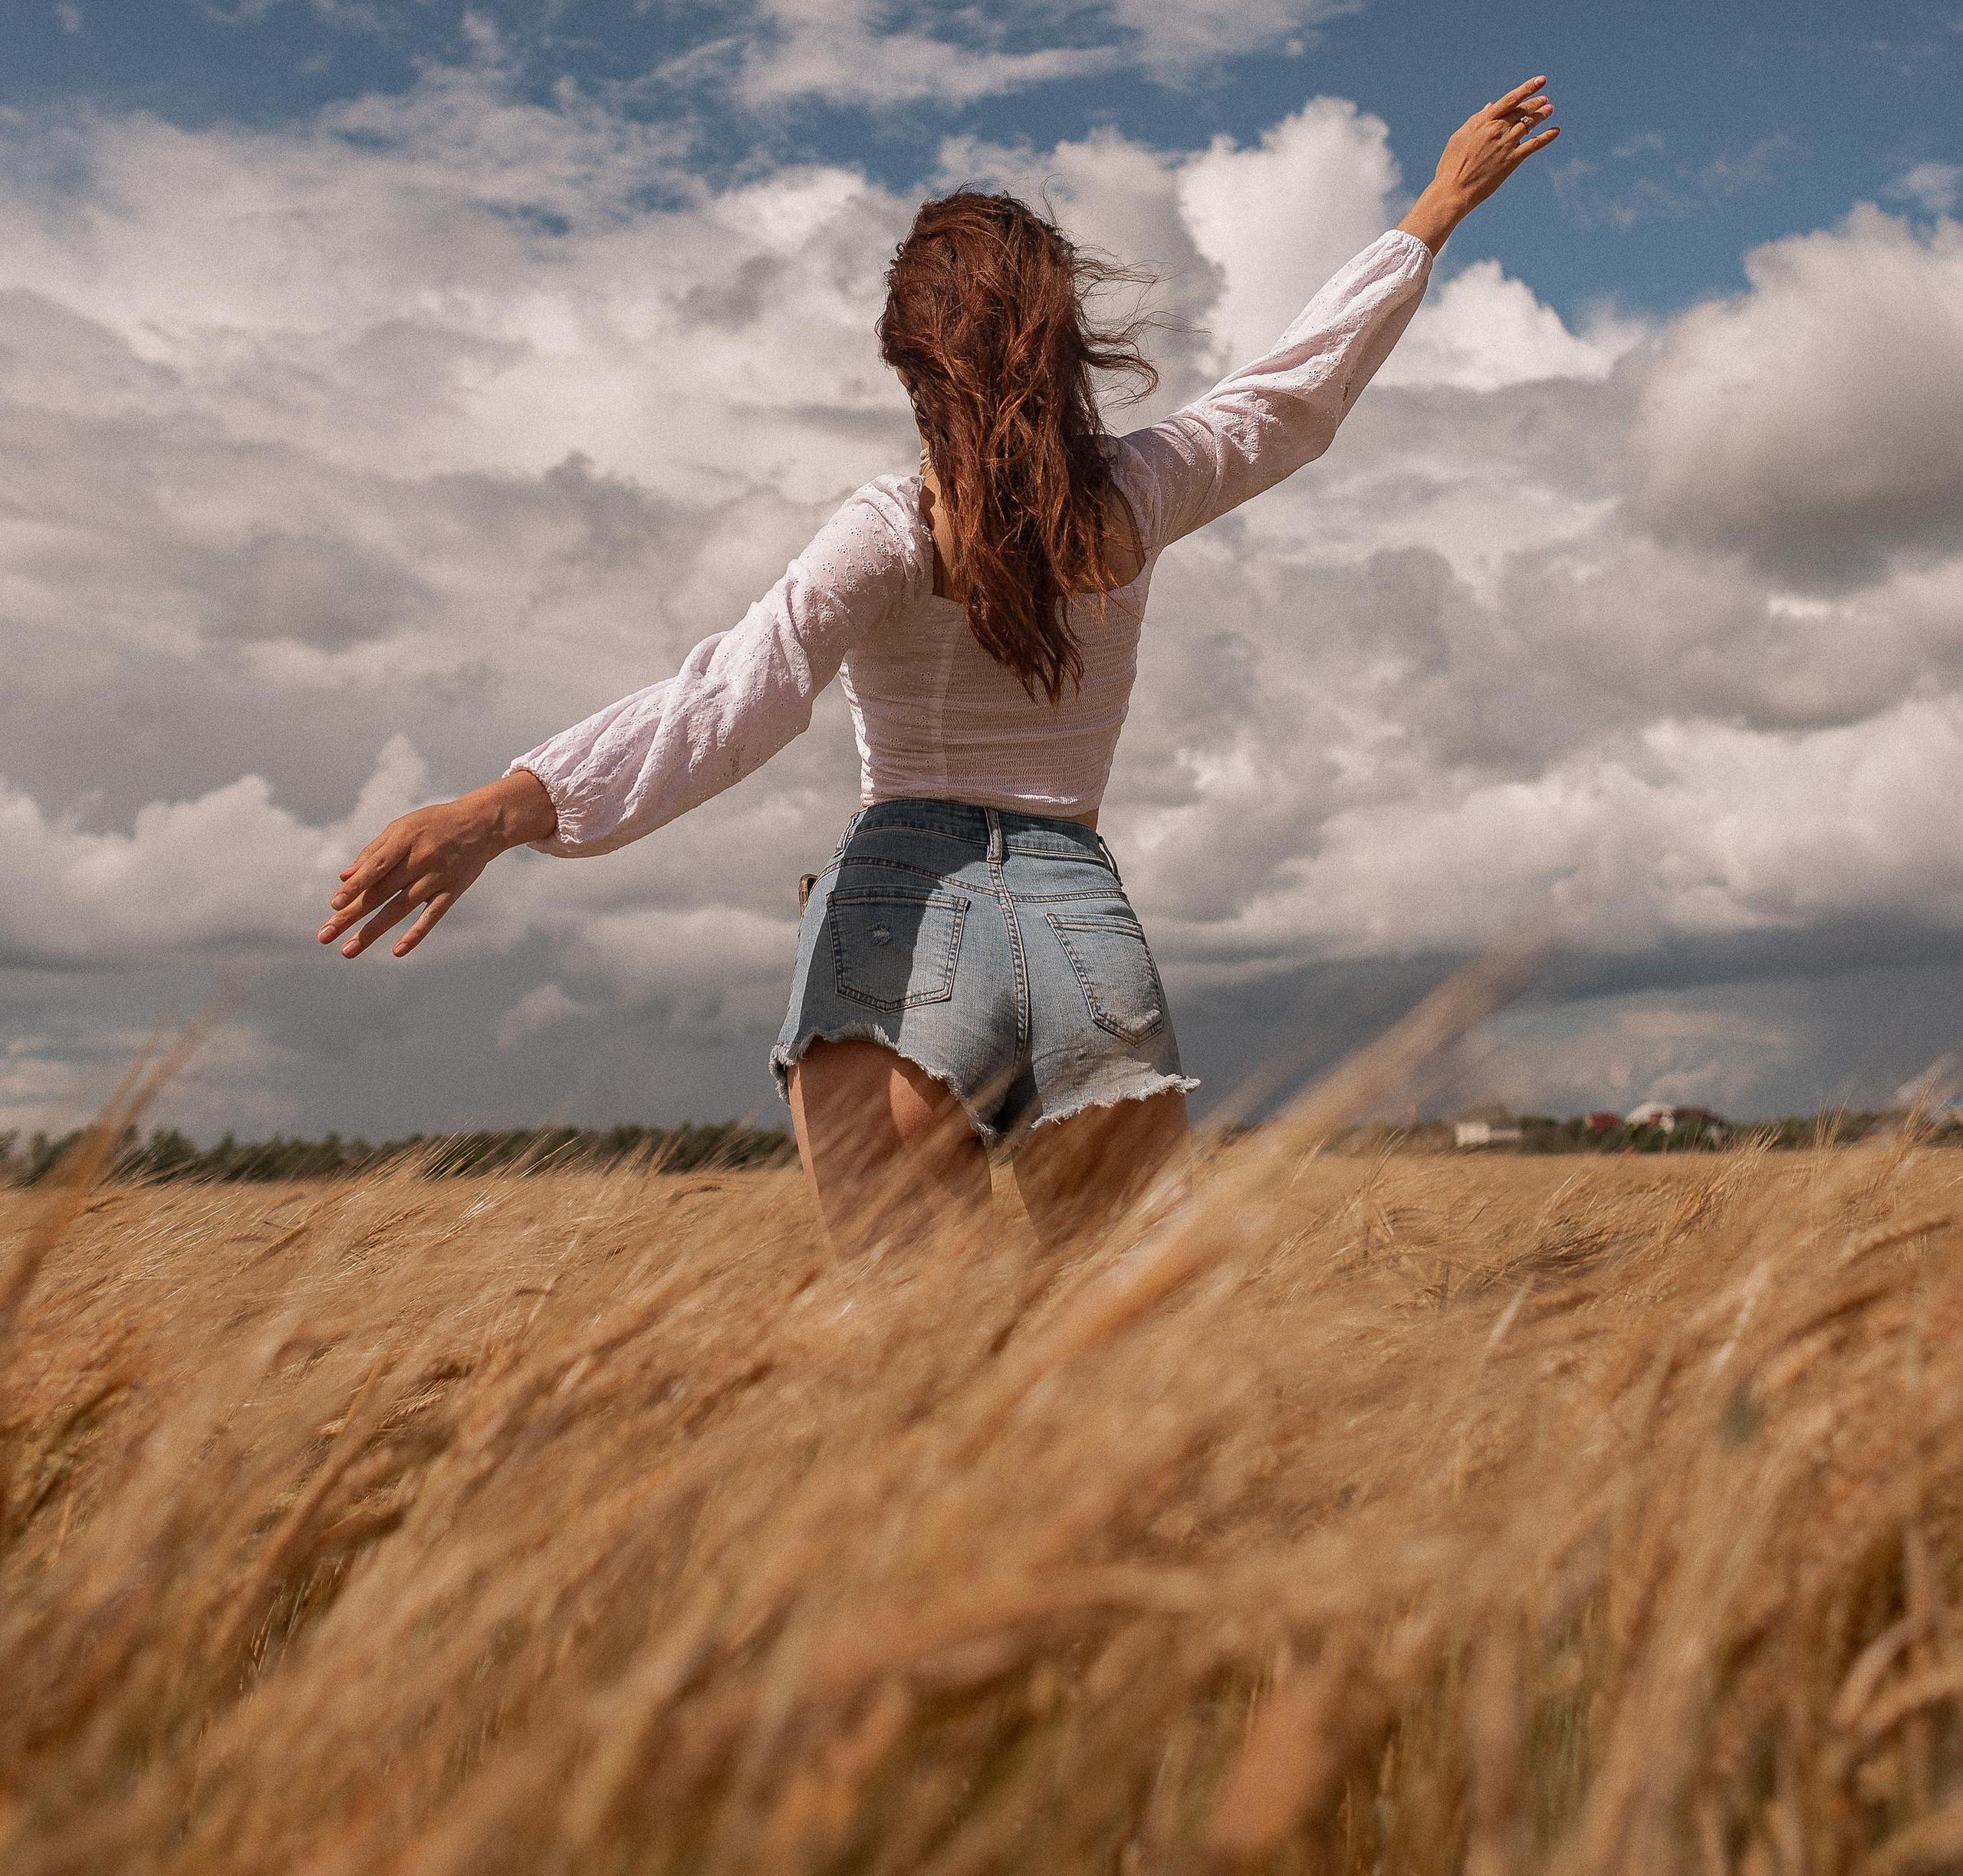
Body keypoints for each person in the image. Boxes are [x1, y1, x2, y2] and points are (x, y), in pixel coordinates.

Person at [322, 77, 1557, 1249]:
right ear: (1070, 344)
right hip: (1086, 931)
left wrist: (501, 808)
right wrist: (1431, 212)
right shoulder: (1136, 494)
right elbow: (1290, 397)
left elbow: (731, 699)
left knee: (923, 1402)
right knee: (1109, 1387)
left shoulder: (889, 528)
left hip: (896, 924)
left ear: (911, 364)